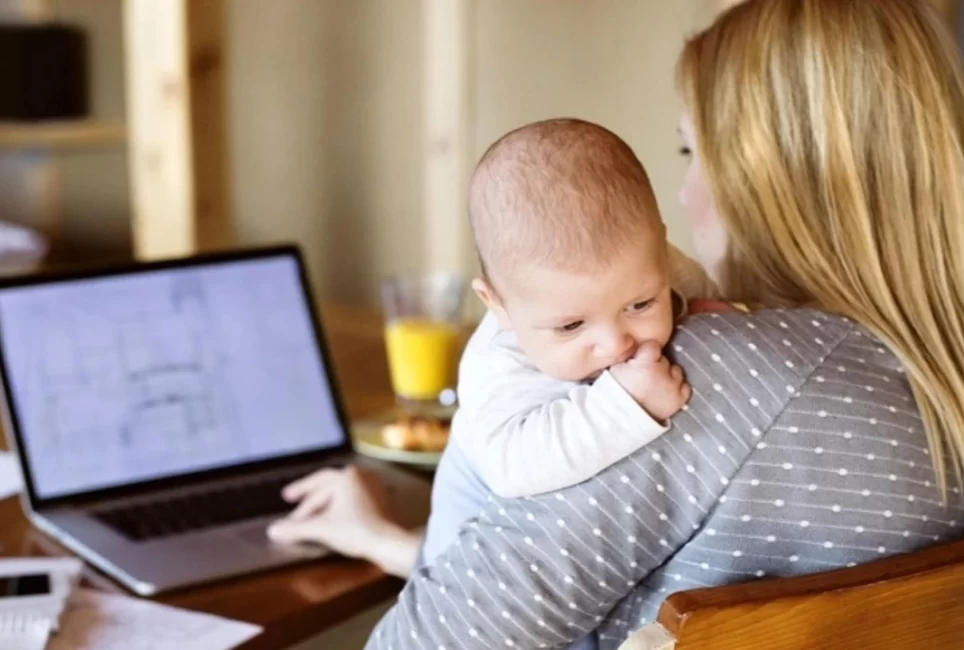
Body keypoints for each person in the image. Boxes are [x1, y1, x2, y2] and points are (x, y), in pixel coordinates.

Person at [279, 0, 964, 647]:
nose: (686, 192)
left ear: (772, 181)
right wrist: (391, 544)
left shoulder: (706, 378)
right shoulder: (935, 378)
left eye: (692, 154)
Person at [453, 118, 719, 499]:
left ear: (661, 248)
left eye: (640, 304)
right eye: (571, 326)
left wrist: (722, 310)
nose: (615, 344)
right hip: (472, 522)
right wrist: (627, 403)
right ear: (497, 305)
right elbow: (510, 468)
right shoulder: (499, 363)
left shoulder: (651, 265)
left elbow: (705, 296)